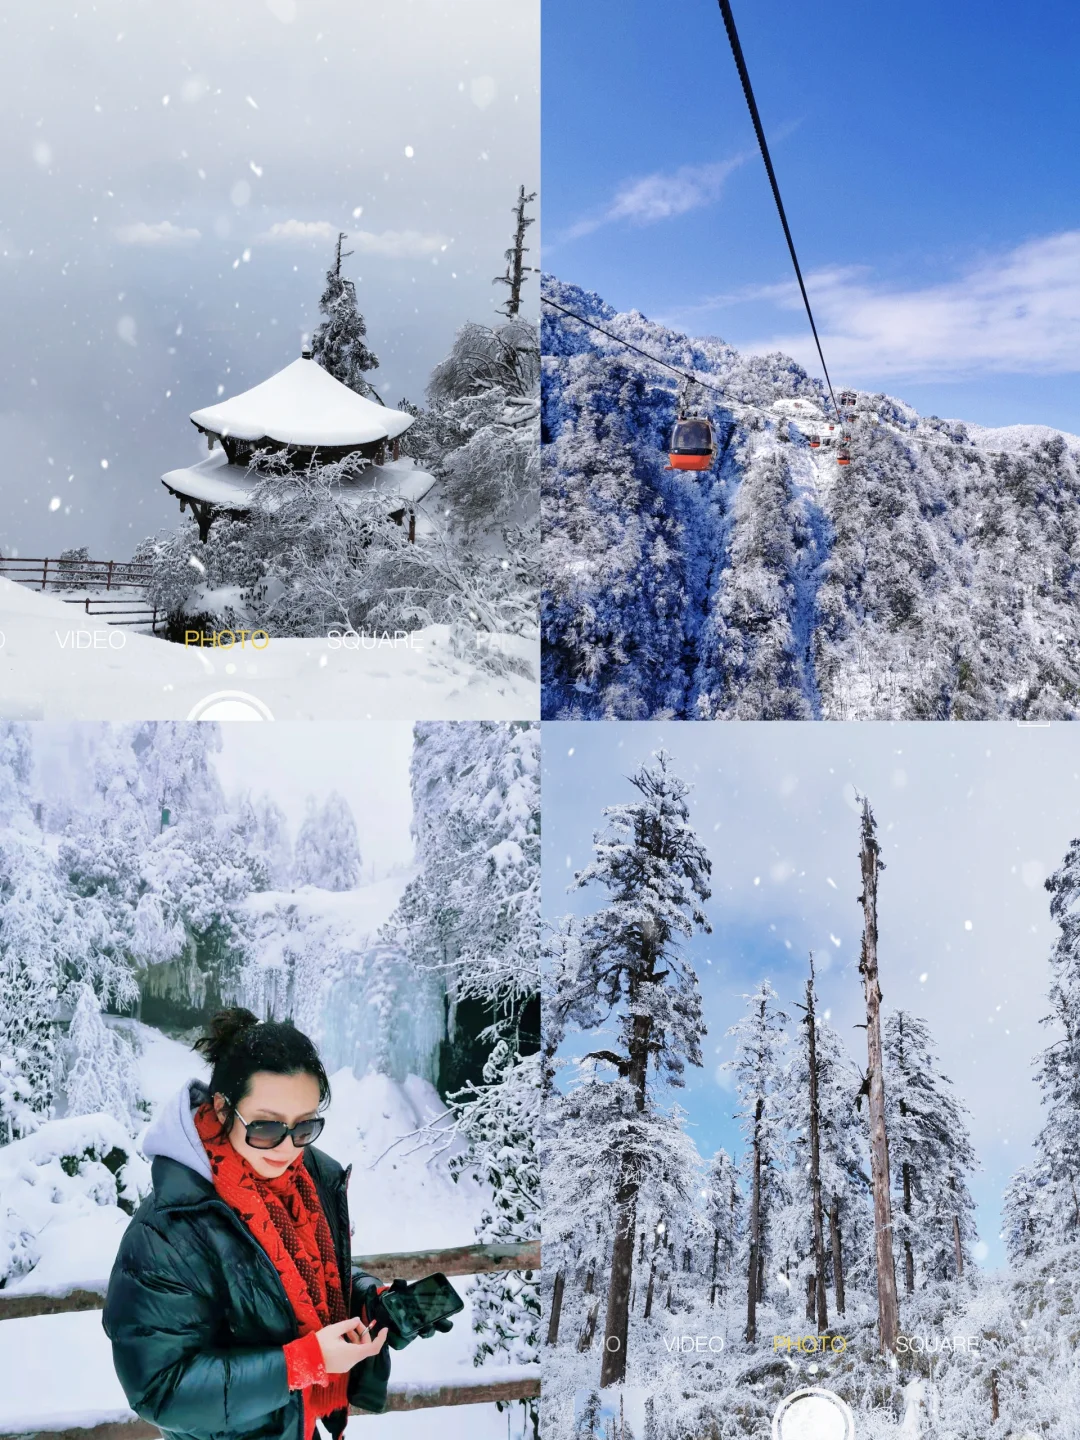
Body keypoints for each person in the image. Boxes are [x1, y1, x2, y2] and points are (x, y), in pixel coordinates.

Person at [104, 1009, 391, 1440]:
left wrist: (368, 1299)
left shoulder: (308, 1181)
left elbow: (289, 1280)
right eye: (265, 1127)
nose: (288, 1146)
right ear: (222, 1109)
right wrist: (302, 1363)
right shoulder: (167, 1231)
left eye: (305, 1126)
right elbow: (159, 1389)